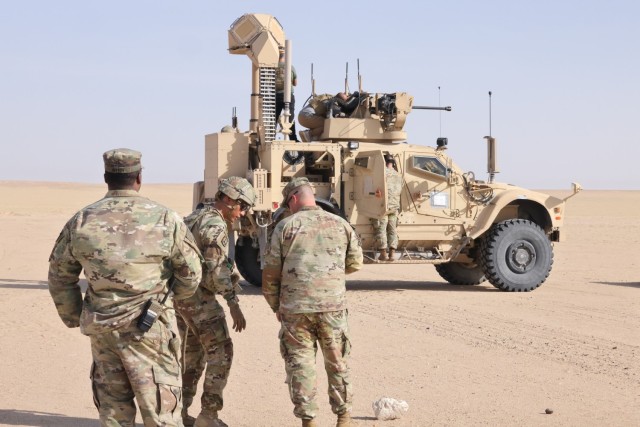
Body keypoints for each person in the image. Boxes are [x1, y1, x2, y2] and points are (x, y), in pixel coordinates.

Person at [47, 148, 203, 426]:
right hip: (150, 330)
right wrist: (167, 301)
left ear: (106, 178)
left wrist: (74, 316)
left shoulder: (82, 220)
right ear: (139, 178)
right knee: (161, 414)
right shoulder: (165, 219)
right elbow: (191, 274)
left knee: (114, 415)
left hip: (103, 330)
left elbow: (60, 276)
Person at [262, 177, 364, 427]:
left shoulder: (285, 227)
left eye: (288, 203)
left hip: (296, 310)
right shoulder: (341, 224)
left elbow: (271, 272)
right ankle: (344, 417)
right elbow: (355, 263)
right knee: (337, 362)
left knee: (301, 364)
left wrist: (276, 305)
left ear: (294, 199)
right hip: (333, 308)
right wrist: (327, 276)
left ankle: (309, 421)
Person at [176, 176, 256, 427]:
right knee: (221, 352)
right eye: (242, 206)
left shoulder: (194, 217)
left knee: (193, 356)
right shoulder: (215, 225)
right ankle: (208, 417)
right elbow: (215, 269)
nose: (242, 213)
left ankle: (179, 413)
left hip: (180, 299)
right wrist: (233, 304)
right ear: (229, 200)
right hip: (198, 301)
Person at [372, 155, 403, 261]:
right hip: (394, 207)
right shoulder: (398, 175)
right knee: (392, 229)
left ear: (383, 162)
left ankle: (383, 253)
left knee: (381, 229)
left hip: (383, 206)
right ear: (393, 163)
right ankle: (392, 254)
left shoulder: (382, 173)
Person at [275, 47, 299, 141]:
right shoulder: (291, 67)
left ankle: (271, 137)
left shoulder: (273, 66)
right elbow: (295, 83)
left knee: (274, 117)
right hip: (288, 95)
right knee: (290, 117)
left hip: (276, 95)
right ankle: (293, 138)